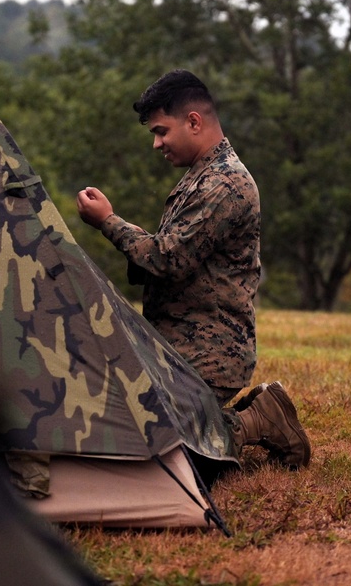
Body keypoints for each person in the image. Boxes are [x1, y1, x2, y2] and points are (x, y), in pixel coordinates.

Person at [76, 69, 310, 469]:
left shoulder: (225, 185)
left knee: (175, 457)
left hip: (208, 354)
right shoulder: (200, 178)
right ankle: (220, 417)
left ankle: (256, 420)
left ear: (194, 122)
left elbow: (168, 259)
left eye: (162, 131)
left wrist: (108, 222)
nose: (157, 143)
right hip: (175, 346)